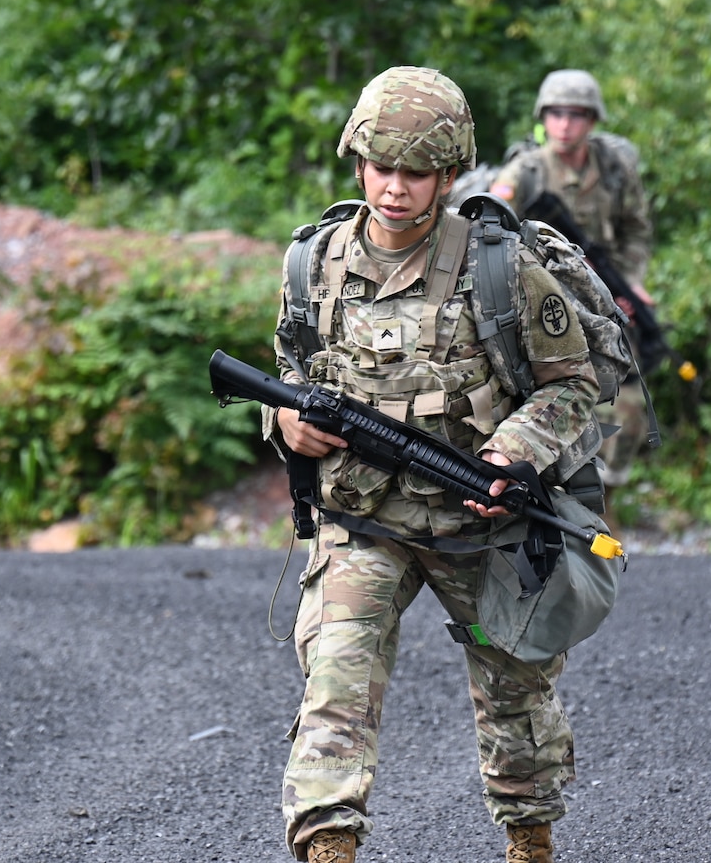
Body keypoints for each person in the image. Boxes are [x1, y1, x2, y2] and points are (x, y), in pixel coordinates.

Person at [265, 66, 600, 863]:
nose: (394, 187)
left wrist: (511, 453)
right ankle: (328, 845)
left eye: (416, 172)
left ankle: (529, 838)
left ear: (449, 174)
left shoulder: (499, 267)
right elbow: (288, 370)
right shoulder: (311, 264)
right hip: (362, 521)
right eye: (381, 166)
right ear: (357, 162)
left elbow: (574, 384)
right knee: (334, 688)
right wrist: (286, 421)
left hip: (473, 526)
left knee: (515, 697)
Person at [489, 69, 653, 487]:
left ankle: (603, 493)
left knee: (627, 401)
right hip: (540, 303)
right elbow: (489, 230)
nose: (565, 124)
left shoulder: (614, 169)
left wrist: (631, 283)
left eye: (576, 114)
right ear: (543, 118)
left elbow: (636, 230)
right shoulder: (525, 173)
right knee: (546, 399)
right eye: (556, 114)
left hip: (604, 300)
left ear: (592, 119)